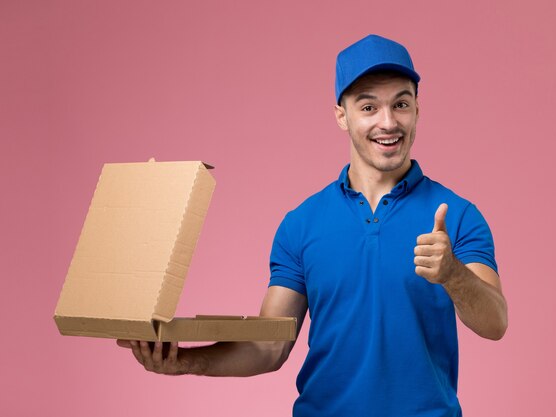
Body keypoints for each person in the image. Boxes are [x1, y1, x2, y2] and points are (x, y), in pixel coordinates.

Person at [118, 34, 507, 416]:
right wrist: (185, 362)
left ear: (418, 109)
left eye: (401, 104)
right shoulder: (301, 225)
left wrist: (453, 273)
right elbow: (270, 346)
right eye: (368, 107)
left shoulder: (456, 215)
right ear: (342, 115)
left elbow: (495, 323)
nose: (388, 123)